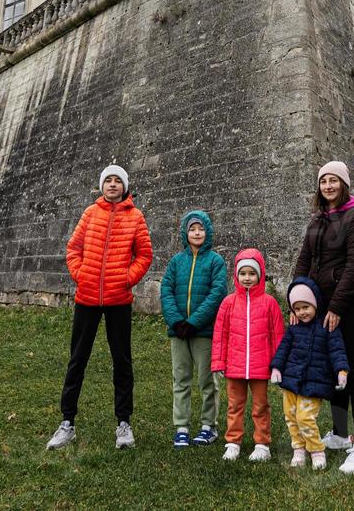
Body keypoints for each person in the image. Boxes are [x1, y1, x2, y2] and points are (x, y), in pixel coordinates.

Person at [46, 164, 154, 451]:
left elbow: (144, 254)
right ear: (102, 186)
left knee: (122, 361)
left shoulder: (136, 217)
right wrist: (82, 275)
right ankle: (67, 423)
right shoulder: (90, 213)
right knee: (77, 360)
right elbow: (73, 248)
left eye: (119, 181)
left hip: (119, 301)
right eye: (109, 180)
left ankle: (124, 424)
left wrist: (126, 279)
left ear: (125, 187)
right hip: (87, 299)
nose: (113, 185)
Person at [292, 160, 354, 474]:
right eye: (323, 181)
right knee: (333, 372)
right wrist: (297, 299)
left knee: (353, 373)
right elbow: (304, 259)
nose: (328, 186)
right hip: (320, 306)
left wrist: (337, 308)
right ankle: (340, 434)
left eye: (333, 181)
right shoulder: (319, 219)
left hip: (346, 307)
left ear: (344, 184)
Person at [159, 210, 228, 448]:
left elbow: (217, 294)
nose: (197, 233)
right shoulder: (177, 262)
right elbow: (166, 291)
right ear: (185, 233)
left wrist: (193, 322)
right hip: (178, 332)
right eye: (192, 229)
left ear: (207, 232)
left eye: (200, 229)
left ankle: (209, 426)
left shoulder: (215, 262)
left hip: (204, 332)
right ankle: (181, 426)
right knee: (181, 378)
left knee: (207, 380)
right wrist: (176, 321)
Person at [210, 248, 284, 462]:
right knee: (235, 405)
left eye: (252, 273)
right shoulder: (228, 303)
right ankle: (233, 441)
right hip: (234, 365)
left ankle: (262, 444)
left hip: (261, 367)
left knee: (261, 406)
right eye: (243, 274)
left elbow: (277, 335)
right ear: (236, 275)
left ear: (260, 274)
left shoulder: (270, 303)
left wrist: (278, 365)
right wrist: (218, 362)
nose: (247, 278)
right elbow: (220, 335)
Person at [269, 277, 350, 470]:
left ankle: (316, 450)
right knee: (291, 416)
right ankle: (298, 448)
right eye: (297, 308)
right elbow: (283, 349)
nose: (302, 312)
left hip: (314, 383)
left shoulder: (327, 326)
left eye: (306, 307)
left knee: (305, 417)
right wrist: (276, 368)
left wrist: (341, 370)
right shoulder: (294, 328)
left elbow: (337, 350)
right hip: (291, 381)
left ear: (315, 303)